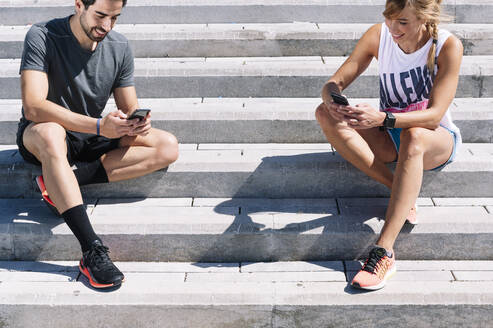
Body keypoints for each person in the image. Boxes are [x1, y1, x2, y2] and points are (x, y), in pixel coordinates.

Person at [16, 0, 179, 289]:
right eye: (100, 15)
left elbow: (130, 108)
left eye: (115, 18)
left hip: (93, 134)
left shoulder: (119, 46)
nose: (106, 26)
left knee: (167, 146)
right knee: (52, 133)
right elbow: (33, 107)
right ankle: (91, 250)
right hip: (44, 135)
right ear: (79, 5)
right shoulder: (43, 35)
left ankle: (61, 183)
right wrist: (97, 125)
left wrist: (136, 123)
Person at [315, 0, 462, 290]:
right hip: (391, 135)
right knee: (323, 114)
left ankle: (384, 250)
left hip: (435, 140)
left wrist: (382, 118)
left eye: (403, 22)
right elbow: (332, 84)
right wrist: (333, 100)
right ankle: (400, 191)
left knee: (415, 135)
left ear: (424, 18)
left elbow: (433, 116)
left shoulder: (447, 46)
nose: (393, 28)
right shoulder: (379, 35)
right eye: (390, 18)